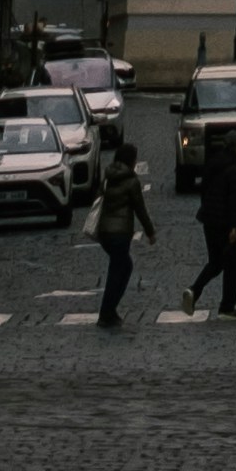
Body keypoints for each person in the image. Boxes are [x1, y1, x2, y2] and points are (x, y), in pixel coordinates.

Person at [87, 120, 155, 330]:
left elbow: (98, 198)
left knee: (121, 267)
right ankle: (106, 312)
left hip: (105, 232)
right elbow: (140, 209)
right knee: (119, 270)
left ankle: (109, 311)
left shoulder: (108, 177)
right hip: (120, 233)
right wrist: (150, 232)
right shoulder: (132, 181)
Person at [191, 112, 236, 323]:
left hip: (208, 219)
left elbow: (203, 190)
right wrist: (234, 227)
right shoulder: (235, 169)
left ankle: (194, 290)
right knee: (232, 266)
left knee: (215, 262)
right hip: (225, 223)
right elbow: (234, 199)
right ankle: (227, 306)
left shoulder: (213, 163)